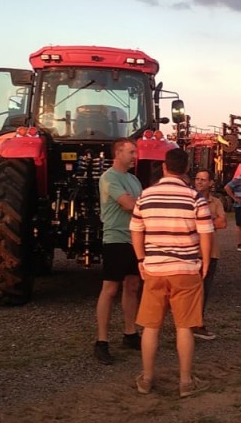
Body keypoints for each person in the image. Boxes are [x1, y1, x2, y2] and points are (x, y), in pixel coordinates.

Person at [131, 148, 214, 398]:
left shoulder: (145, 196)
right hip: (186, 269)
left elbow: (136, 230)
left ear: (165, 167)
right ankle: (186, 381)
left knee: (150, 326)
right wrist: (205, 261)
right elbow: (206, 233)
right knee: (185, 327)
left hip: (155, 268)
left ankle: (146, 379)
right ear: (187, 169)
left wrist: (140, 260)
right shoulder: (195, 197)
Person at [94, 138, 143, 364]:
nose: (135, 156)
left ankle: (130, 333)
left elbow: (138, 203)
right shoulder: (109, 177)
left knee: (132, 285)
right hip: (115, 238)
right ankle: (101, 342)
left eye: (135, 152)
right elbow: (129, 204)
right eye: (131, 152)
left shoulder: (133, 179)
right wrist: (140, 203)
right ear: (118, 152)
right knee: (110, 288)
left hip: (134, 238)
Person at [192, 169, 227, 340]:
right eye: (197, 179)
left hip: (210, 252)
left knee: (204, 290)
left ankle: (198, 323)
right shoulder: (188, 199)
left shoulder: (216, 202)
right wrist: (210, 221)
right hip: (191, 251)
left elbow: (223, 223)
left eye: (203, 180)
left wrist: (202, 221)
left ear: (211, 183)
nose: (199, 182)